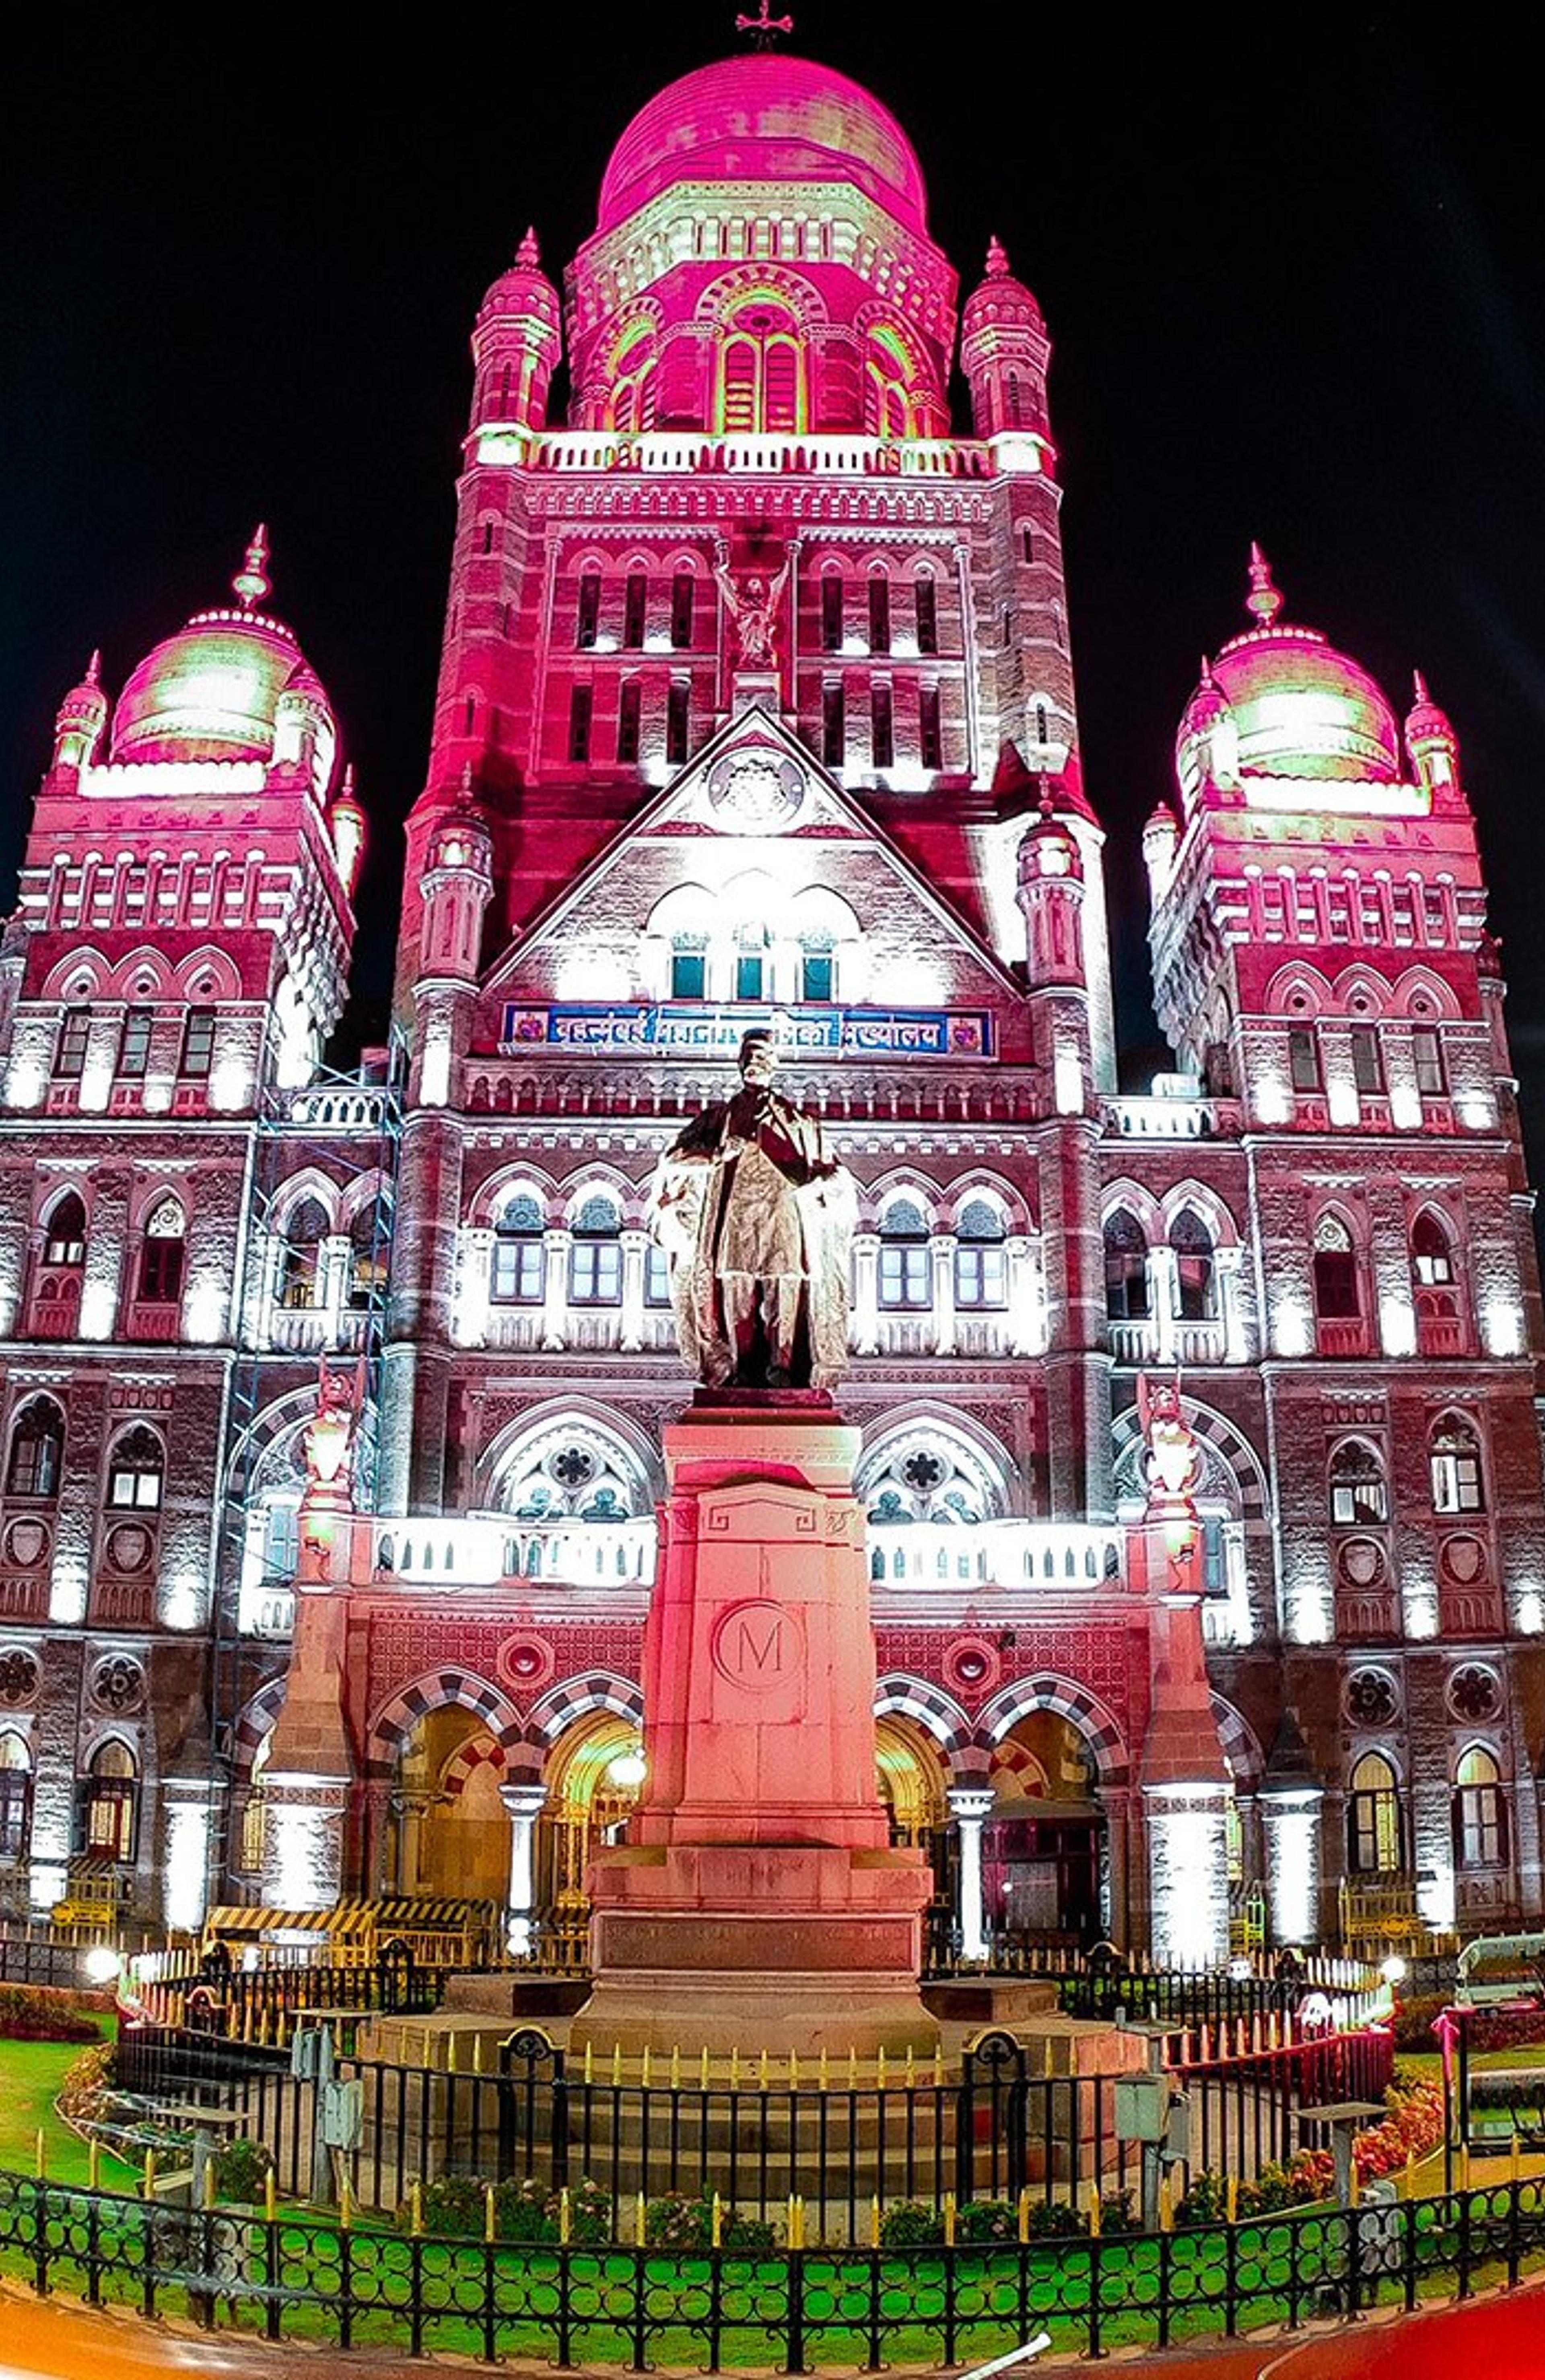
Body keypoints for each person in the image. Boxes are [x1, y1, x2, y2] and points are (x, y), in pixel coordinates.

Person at [651, 1030, 855, 1389]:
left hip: (785, 1220)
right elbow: (674, 1159)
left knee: (785, 1293)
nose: (754, 1062)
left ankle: (783, 1366)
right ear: (739, 1062)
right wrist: (716, 1155)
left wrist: (820, 1183)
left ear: (774, 1064)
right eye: (748, 1054)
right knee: (737, 1291)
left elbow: (835, 1174)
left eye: (762, 1055)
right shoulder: (718, 1121)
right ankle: (741, 1366)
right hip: (736, 1219)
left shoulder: (802, 1124)